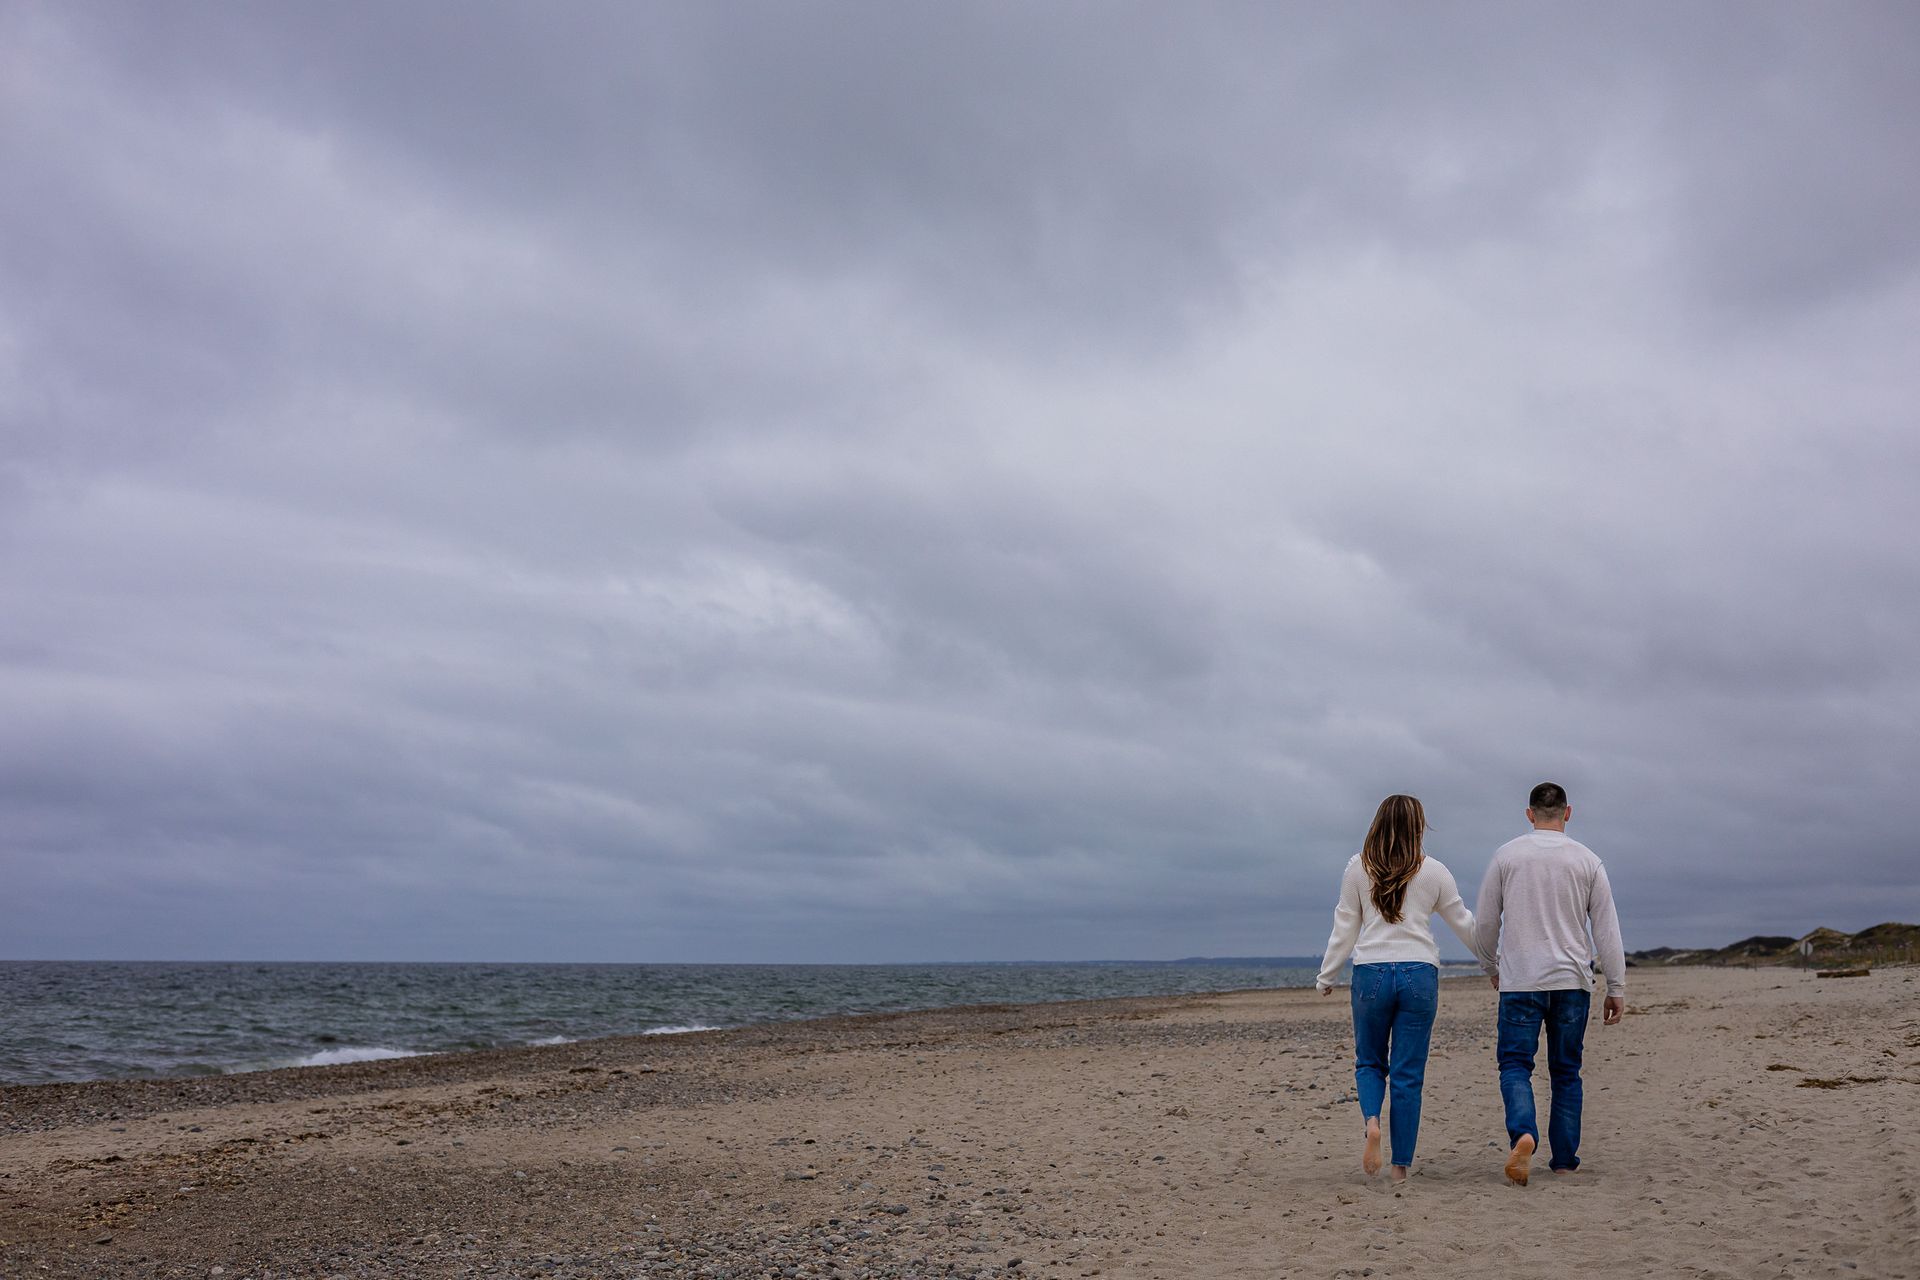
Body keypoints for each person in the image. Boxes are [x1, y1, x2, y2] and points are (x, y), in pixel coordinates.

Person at [1316, 794, 1478, 1181]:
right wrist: (1494, 962)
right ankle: (1400, 1167)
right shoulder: (1435, 871)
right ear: (1418, 827)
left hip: (1370, 971)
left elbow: (1345, 926)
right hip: (1418, 972)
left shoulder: (1358, 868)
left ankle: (1372, 1122)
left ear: (1377, 823)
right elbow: (1464, 923)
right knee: (1408, 1074)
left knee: (1370, 1061)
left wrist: (1328, 975)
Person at [1472, 782, 1626, 1185]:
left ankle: (1524, 1133)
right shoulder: (1588, 861)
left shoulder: (1507, 856)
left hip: (1521, 979)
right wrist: (1616, 986)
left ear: (1529, 814)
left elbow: (1487, 921)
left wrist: (1491, 965)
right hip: (1572, 979)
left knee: (1515, 1065)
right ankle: (1562, 1160)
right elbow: (1607, 929)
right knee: (1566, 1070)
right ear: (1567, 813)